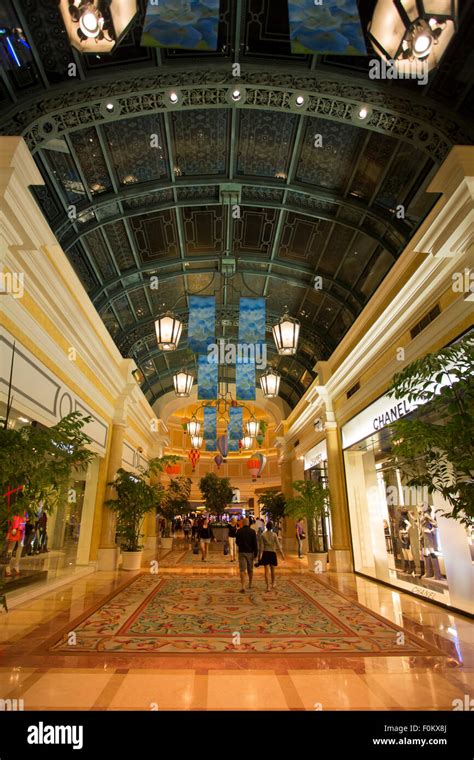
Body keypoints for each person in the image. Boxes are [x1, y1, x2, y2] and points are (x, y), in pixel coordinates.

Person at [257, 521, 285, 592]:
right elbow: (278, 545)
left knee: (266, 571)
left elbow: (261, 547)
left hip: (266, 553)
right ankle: (273, 583)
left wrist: (259, 556)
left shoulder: (263, 535)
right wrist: (282, 553)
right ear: (272, 527)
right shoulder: (274, 535)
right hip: (272, 553)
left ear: (266, 527)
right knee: (273, 570)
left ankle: (268, 586)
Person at [235, 518, 258, 593]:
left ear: (243, 523)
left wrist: (241, 546)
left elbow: (237, 542)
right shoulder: (252, 532)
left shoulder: (239, 531)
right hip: (250, 553)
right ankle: (250, 584)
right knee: (250, 569)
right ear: (248, 523)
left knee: (242, 570)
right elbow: (255, 544)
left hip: (242, 552)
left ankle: (243, 586)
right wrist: (256, 554)